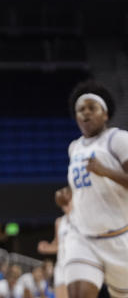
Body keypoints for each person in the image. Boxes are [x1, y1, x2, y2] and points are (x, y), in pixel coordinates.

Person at [62, 82, 128, 298]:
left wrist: (105, 171)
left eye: (92, 108)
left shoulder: (117, 139)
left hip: (120, 238)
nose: (86, 113)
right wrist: (66, 199)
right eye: (81, 110)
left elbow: (102, 177)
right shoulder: (75, 147)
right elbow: (85, 189)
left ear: (105, 114)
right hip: (83, 236)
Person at [38, 188, 72, 298]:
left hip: (75, 263)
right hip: (61, 265)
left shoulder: (81, 219)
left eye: (68, 202)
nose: (66, 206)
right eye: (63, 204)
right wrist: (46, 248)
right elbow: (57, 245)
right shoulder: (59, 222)